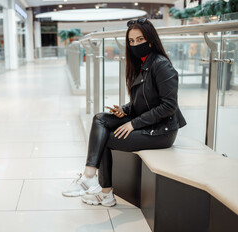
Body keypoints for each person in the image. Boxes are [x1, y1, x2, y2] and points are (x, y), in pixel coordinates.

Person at [62, 18, 187, 207]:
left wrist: (133, 123)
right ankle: (89, 176)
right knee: (100, 120)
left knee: (107, 138)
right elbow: (143, 100)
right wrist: (125, 110)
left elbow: (169, 106)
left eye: (140, 39)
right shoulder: (141, 64)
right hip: (148, 121)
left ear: (151, 40)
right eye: (131, 41)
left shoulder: (161, 65)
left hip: (162, 131)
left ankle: (105, 193)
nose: (135, 44)